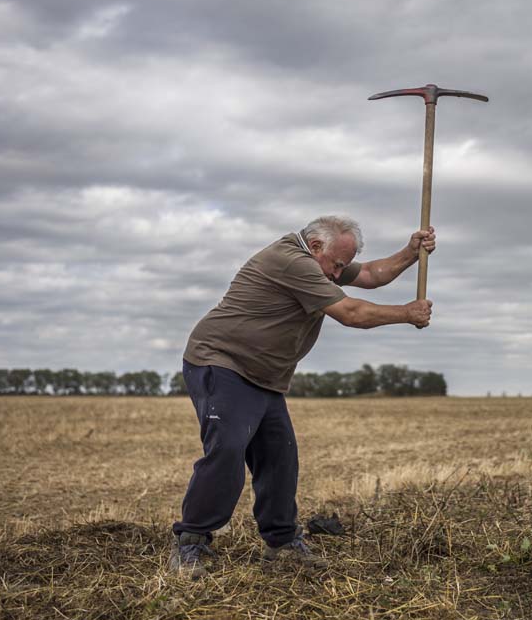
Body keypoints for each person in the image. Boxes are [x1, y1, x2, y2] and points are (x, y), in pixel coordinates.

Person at [169, 215, 434, 577]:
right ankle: (191, 543)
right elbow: (351, 313)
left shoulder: (321, 262)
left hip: (264, 375)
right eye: (336, 265)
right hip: (222, 362)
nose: (337, 275)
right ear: (315, 247)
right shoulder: (291, 260)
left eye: (343, 267)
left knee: (280, 457)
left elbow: (372, 274)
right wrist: (406, 313)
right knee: (228, 449)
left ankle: (282, 543)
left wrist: (410, 251)